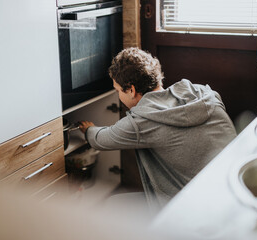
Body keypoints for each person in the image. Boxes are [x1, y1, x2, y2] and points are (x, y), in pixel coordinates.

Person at [79, 47, 237, 212]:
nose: (118, 95)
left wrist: (88, 129)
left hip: (191, 211)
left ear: (131, 90)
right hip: (234, 195)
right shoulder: (203, 93)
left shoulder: (142, 121)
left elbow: (100, 140)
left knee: (112, 205)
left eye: (118, 90)